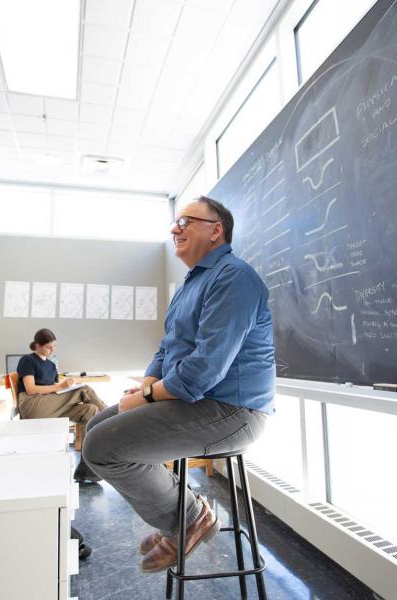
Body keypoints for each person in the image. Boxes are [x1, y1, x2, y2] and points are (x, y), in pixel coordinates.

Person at [81, 196, 275, 573]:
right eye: (175, 222)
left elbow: (203, 371)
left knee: (101, 446)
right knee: (96, 427)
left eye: (185, 221)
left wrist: (148, 396)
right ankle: (179, 515)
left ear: (215, 230)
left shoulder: (234, 278)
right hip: (197, 403)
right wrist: (148, 384)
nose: (174, 229)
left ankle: (189, 518)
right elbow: (167, 348)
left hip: (233, 411)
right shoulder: (194, 282)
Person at [16, 328, 107, 482]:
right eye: (48, 347)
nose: (52, 350)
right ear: (37, 345)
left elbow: (56, 388)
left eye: (54, 346)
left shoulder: (51, 365)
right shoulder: (28, 360)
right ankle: (114, 419)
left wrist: (66, 385)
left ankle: (86, 467)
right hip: (33, 405)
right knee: (85, 389)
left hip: (51, 406)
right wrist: (60, 387)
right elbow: (31, 389)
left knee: (91, 410)